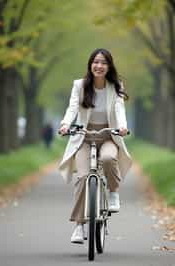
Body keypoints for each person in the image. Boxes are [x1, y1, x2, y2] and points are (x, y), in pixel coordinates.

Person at [59, 48, 132, 244]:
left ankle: (114, 192)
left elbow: (119, 107)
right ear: (90, 64)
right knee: (83, 177)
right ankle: (79, 226)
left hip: (108, 135)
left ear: (109, 67)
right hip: (84, 136)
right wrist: (66, 124)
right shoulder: (80, 85)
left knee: (108, 158)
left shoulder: (115, 85)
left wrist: (123, 126)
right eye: (95, 62)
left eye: (103, 63)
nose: (99, 66)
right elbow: (73, 107)